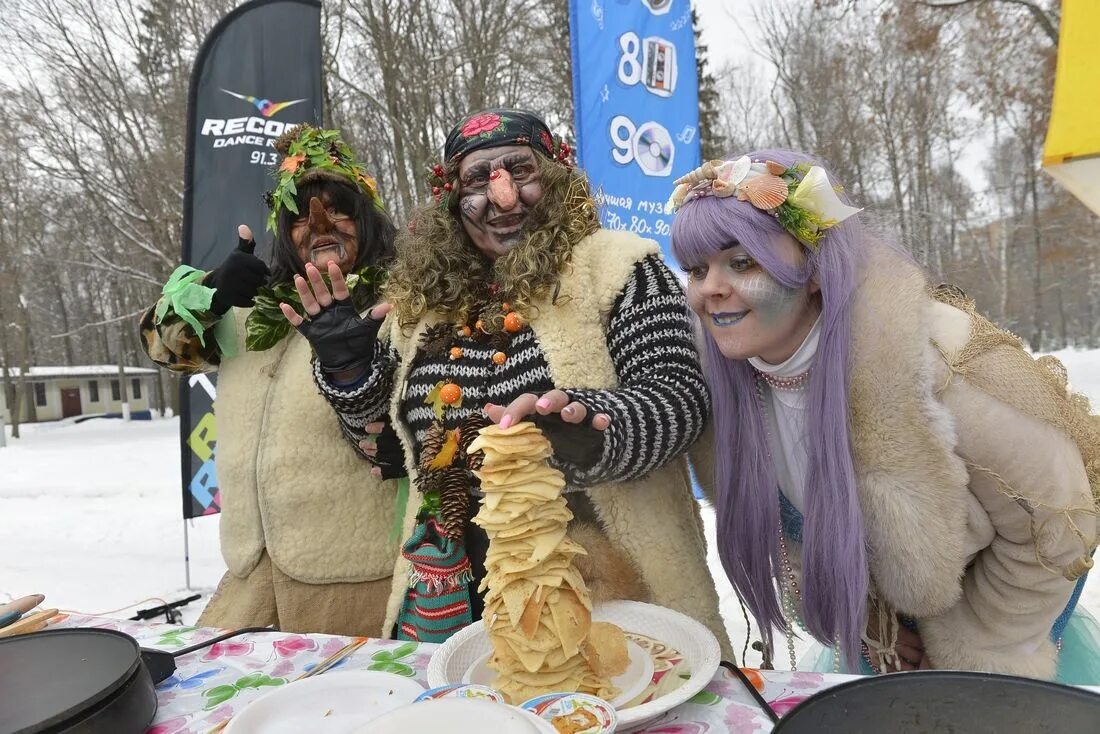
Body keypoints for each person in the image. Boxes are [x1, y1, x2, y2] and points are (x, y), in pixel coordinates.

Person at [282, 108, 730, 652]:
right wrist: (349, 370)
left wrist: (590, 429)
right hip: (460, 593)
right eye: (478, 180)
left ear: (556, 178)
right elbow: (388, 454)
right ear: (451, 202)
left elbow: (678, 399)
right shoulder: (422, 306)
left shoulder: (620, 268)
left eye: (521, 171)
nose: (504, 198)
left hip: (612, 587)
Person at [668, 149, 1100, 681]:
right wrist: (875, 629)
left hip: (1005, 625)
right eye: (695, 268)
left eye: (741, 262)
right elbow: (800, 539)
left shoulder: (941, 363)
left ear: (814, 271)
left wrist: (972, 650)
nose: (709, 289)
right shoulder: (724, 389)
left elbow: (1057, 524)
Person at [140, 125, 405, 635]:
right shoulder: (250, 312)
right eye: (301, 213)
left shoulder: (401, 304)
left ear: (368, 218)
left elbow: (424, 427)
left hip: (356, 578)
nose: (320, 223)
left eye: (338, 206)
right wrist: (211, 293)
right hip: (250, 576)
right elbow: (160, 345)